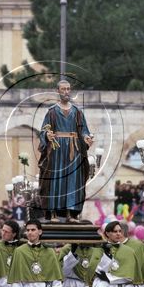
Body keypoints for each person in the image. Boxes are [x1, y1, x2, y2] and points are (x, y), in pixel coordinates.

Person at [38, 80, 93, 222]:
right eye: (63, 89)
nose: (66, 92)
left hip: (73, 149)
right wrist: (47, 135)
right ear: (58, 91)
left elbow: (84, 130)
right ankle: (53, 213)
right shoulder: (52, 111)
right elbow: (44, 130)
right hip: (56, 151)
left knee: (73, 180)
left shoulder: (77, 112)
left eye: (68, 89)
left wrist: (87, 138)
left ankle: (71, 213)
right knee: (56, 180)